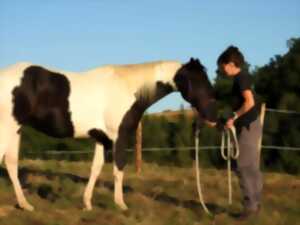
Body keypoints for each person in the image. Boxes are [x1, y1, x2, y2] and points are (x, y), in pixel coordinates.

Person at [217, 46, 263, 220]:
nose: (221, 70)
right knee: (251, 167)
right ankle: (255, 205)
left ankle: (250, 208)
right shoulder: (242, 78)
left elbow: (249, 102)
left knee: (243, 166)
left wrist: (235, 116)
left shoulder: (241, 78)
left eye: (222, 66)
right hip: (251, 125)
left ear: (230, 64)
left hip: (248, 126)